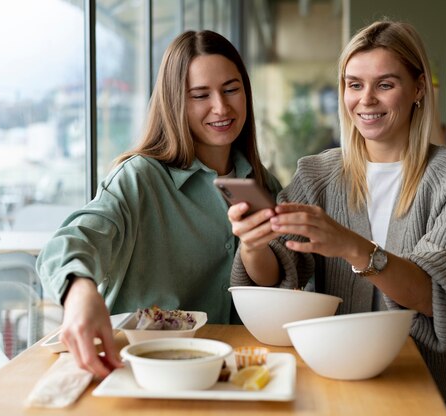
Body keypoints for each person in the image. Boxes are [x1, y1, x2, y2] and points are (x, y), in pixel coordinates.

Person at [228, 20, 446, 415]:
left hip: (430, 386)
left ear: (419, 88)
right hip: (336, 375)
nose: (366, 100)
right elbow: (277, 274)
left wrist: (353, 247)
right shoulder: (317, 173)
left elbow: (434, 297)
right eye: (354, 84)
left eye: (385, 84)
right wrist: (252, 244)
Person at [36, 30, 281, 378]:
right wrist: (79, 292)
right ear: (174, 101)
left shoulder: (264, 185)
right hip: (137, 375)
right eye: (200, 95)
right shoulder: (139, 178)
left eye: (231, 89)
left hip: (229, 377)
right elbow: (69, 242)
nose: (221, 107)